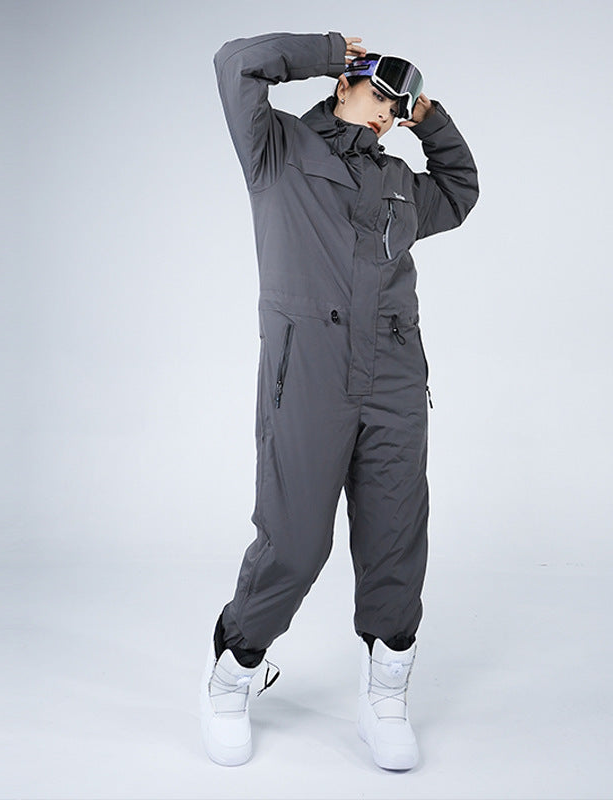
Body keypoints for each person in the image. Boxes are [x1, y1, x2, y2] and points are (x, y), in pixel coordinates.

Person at [201, 31, 479, 770]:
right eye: (380, 94)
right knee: (295, 541)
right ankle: (233, 671)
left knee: (395, 533)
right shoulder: (277, 150)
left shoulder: (398, 182)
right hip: (309, 373)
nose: (387, 113)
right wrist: (325, 50)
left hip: (393, 375)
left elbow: (460, 189)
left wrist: (431, 120)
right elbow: (236, 64)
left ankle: (385, 691)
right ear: (344, 85)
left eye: (397, 108)